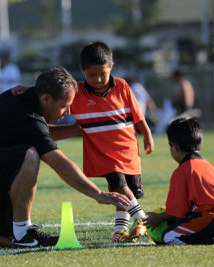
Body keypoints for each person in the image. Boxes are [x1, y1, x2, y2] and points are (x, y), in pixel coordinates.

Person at [0, 67, 131, 251]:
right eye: (64, 106)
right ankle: (24, 231)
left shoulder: (25, 100)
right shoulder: (25, 115)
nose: (67, 112)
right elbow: (58, 162)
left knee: (9, 240)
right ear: (46, 99)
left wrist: (80, 129)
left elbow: (40, 134)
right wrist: (99, 194)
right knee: (29, 154)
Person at [59, 41, 154, 243]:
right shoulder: (77, 93)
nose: (98, 79)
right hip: (104, 154)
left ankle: (119, 231)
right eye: (92, 75)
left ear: (111, 66)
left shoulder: (122, 86)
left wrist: (147, 133)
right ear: (82, 70)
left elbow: (138, 116)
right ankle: (142, 219)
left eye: (103, 73)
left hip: (128, 151)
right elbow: (60, 99)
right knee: (119, 186)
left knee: (123, 194)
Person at [144, 117, 214, 245]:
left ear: (175, 147)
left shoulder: (182, 171)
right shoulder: (206, 164)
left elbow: (179, 211)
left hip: (212, 217)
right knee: (194, 220)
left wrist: (158, 218)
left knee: (168, 237)